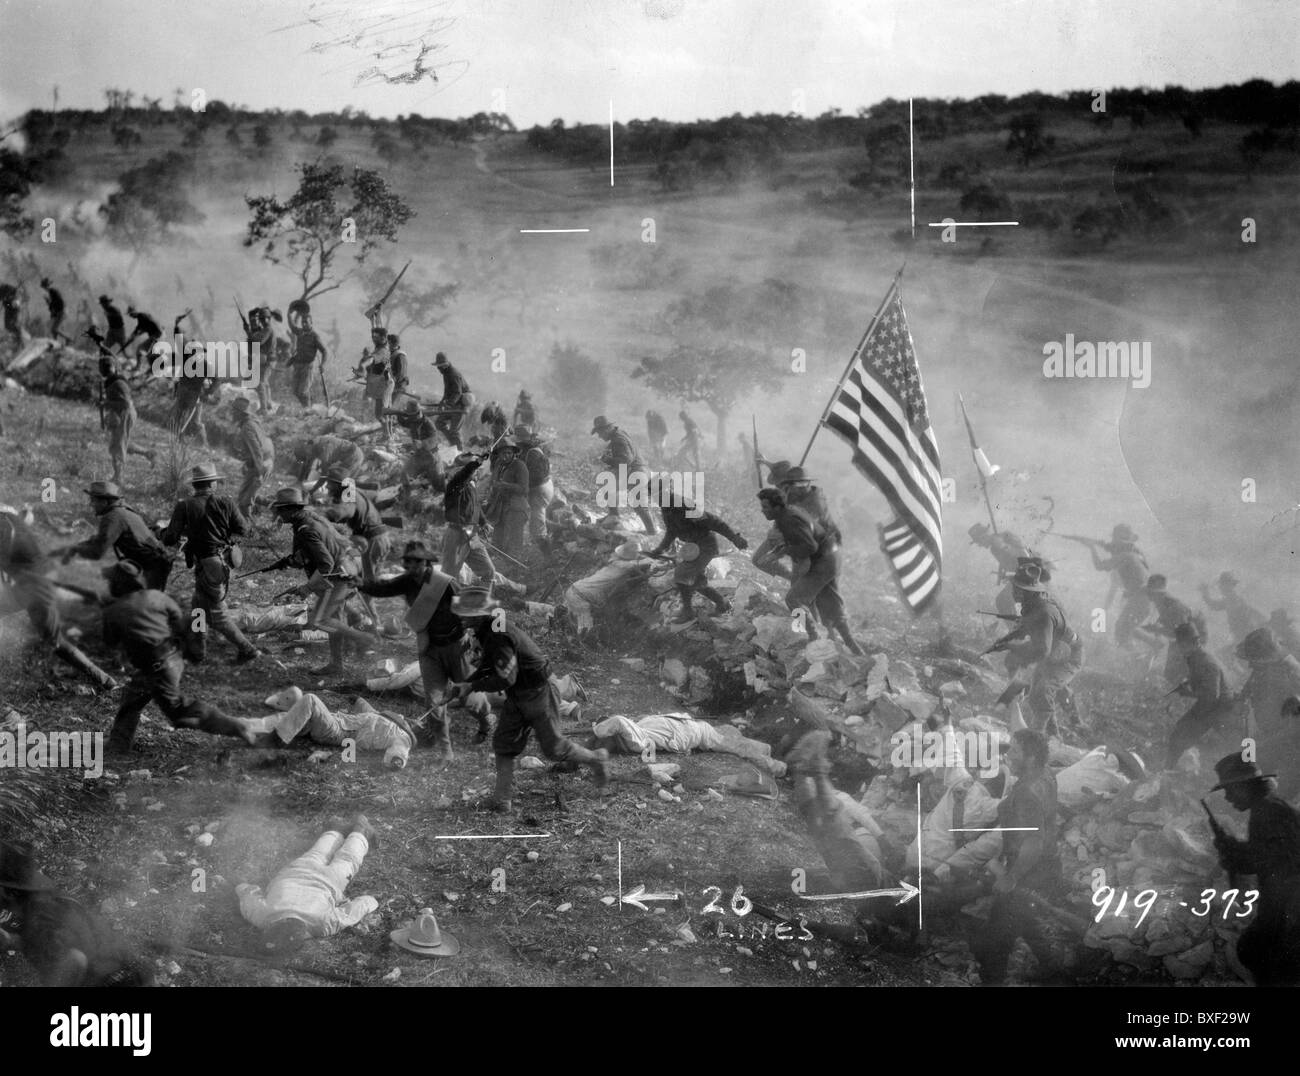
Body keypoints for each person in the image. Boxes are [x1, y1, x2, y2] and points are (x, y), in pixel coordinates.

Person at [446, 587, 609, 812]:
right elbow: (489, 666)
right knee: (503, 743)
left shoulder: (498, 633)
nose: (459, 617)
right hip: (519, 694)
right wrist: (467, 684)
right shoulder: (488, 628)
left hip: (539, 691)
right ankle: (502, 799)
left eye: (464, 614)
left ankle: (596, 758)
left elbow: (505, 677)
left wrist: (472, 685)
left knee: (554, 749)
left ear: (478, 615)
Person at [101, 561, 258, 754]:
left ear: (118, 584)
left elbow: (110, 642)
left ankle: (237, 727)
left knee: (178, 711)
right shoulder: (157, 596)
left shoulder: (115, 611)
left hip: (157, 667)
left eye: (110, 581)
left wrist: (111, 612)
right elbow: (181, 621)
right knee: (133, 695)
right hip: (174, 659)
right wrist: (195, 650)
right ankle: (119, 742)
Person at [357, 541, 491, 758]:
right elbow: (382, 588)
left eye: (417, 562)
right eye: (408, 562)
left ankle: (486, 722)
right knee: (434, 701)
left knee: (471, 699)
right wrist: (360, 583)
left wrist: (480, 642)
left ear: (427, 563)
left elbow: (474, 609)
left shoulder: (446, 584)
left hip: (456, 646)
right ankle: (445, 751)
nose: (412, 566)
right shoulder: (407, 581)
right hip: (429, 648)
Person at [971, 729, 1066, 984]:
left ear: (1032, 757)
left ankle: (993, 982)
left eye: (1014, 751)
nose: (1008, 755)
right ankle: (1057, 973)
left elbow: (1034, 842)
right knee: (1026, 922)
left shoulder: (1026, 792)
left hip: (1028, 872)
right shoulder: (1046, 775)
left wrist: (1010, 877)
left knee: (995, 940)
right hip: (1046, 867)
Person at [0, 841, 153, 987]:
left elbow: (75, 960)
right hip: (135, 972)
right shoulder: (47, 900)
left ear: (9, 892)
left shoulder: (39, 922)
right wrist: (13, 941)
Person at [1209, 754, 1300, 984]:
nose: (1228, 797)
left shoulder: (1267, 812)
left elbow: (1262, 861)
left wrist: (1231, 852)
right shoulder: (1269, 807)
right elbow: (1268, 854)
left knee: (1260, 955)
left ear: (1243, 786)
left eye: (1230, 790)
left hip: (1288, 905)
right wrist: (1233, 849)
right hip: (1284, 902)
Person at [0, 508, 115, 688]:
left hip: (37, 588)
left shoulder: (4, 525)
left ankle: (105, 681)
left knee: (54, 641)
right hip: (27, 585)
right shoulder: (8, 518)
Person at [159, 464, 262, 664]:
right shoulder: (227, 502)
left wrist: (165, 532)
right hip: (220, 563)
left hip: (209, 566)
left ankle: (248, 650)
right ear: (212, 483)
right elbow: (243, 529)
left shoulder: (185, 505)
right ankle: (198, 651)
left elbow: (170, 538)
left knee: (219, 616)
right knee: (198, 607)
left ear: (195, 485)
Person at [237, 815, 380, 954]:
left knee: (348, 859)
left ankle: (361, 832)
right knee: (318, 853)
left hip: (331, 880)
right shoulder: (262, 916)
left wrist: (370, 901)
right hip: (297, 871)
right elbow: (248, 894)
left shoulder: (320, 925)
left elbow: (349, 913)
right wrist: (240, 887)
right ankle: (336, 831)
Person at [268, 487, 365, 677]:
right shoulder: (309, 517)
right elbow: (317, 549)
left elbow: (325, 564)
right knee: (335, 614)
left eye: (280, 510)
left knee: (321, 620)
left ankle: (359, 642)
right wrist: (290, 561)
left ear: (290, 509)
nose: (278, 514)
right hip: (349, 563)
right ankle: (356, 622)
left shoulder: (305, 530)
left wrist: (307, 587)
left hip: (338, 572)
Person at [758, 486, 862, 655]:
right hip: (831, 557)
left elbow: (809, 546)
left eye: (765, 508)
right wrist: (779, 552)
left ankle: (813, 637)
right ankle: (853, 647)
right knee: (829, 604)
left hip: (821, 560)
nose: (763, 511)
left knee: (794, 599)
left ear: (777, 507)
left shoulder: (789, 519)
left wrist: (783, 551)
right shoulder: (789, 512)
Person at [995, 560, 1084, 737]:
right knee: (1039, 691)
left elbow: (1042, 649)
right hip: (1052, 649)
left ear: (1024, 591)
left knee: (1042, 691)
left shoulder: (1044, 610)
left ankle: (1038, 737)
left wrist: (1018, 651)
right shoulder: (1034, 604)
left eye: (1016, 588)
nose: (1013, 591)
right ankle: (1054, 733)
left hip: (1066, 654)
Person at [648, 482, 747, 623]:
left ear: (667, 490)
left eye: (659, 493)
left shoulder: (683, 504)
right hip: (693, 546)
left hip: (705, 545)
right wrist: (660, 549)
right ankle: (722, 603)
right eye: (654, 495)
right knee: (696, 581)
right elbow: (672, 531)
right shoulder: (666, 508)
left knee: (682, 574)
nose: (657, 498)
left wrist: (734, 538)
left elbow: (714, 521)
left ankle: (688, 612)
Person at [61, 481, 172, 591]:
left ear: (104, 502)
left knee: (147, 604)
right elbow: (101, 539)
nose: (91, 504)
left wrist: (76, 550)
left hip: (153, 566)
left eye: (93, 501)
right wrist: (77, 546)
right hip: (150, 562)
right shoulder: (123, 512)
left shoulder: (112, 517)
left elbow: (97, 553)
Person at [1236, 627, 1300, 800]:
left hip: (1291, 742)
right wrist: (1242, 698)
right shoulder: (1265, 667)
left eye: (1255, 660)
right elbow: (1252, 682)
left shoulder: (1292, 675)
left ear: (1267, 656)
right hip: (1270, 733)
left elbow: (1294, 726)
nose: (1251, 664)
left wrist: (1266, 743)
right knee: (1251, 765)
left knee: (1284, 789)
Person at [1165, 622, 1236, 770]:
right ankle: (1174, 769)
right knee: (1181, 733)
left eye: (1183, 645)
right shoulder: (1196, 657)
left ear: (1195, 643)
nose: (1180, 648)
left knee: (1180, 737)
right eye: (1180, 645)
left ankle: (1171, 771)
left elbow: (1211, 696)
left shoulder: (1206, 662)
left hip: (1219, 708)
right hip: (1212, 705)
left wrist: (1188, 693)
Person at [320, 465, 394, 586]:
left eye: (330, 483)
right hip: (380, 539)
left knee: (368, 585)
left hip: (373, 541)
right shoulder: (354, 493)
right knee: (368, 582)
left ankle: (362, 601)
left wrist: (321, 516)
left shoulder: (349, 496)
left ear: (340, 485)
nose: (327, 486)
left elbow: (342, 512)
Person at [1088, 524, 1151, 651]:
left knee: (1123, 631)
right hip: (1144, 598)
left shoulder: (1125, 556)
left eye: (1115, 540)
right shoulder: (1136, 554)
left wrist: (1091, 547)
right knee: (1124, 629)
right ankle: (1152, 644)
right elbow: (1113, 548)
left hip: (1139, 598)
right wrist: (1101, 545)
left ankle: (1147, 647)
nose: (1113, 543)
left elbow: (1099, 566)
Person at [591, 414, 658, 534]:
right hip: (636, 470)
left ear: (607, 429)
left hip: (636, 472)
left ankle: (652, 531)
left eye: (600, 432)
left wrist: (607, 460)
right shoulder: (618, 435)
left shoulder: (618, 439)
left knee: (638, 504)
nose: (599, 436)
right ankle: (614, 516)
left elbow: (626, 460)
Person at [1142, 575, 1208, 687]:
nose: (1148, 596)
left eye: (1150, 593)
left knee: (1178, 673)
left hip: (1193, 639)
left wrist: (1158, 629)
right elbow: (1163, 620)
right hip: (1182, 639)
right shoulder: (1162, 603)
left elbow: (1182, 633)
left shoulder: (1174, 606)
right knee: (1171, 674)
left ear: (1158, 593)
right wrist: (1156, 632)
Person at [441, 451, 496, 581]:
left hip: (472, 536)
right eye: (473, 469)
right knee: (448, 577)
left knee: (489, 571)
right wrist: (476, 463)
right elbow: (463, 475)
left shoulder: (470, 487)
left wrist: (484, 523)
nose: (476, 471)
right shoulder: (454, 486)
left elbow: (476, 506)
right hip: (456, 537)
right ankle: (442, 600)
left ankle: (484, 600)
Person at [969, 522, 1031, 621]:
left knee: (1003, 601)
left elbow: (1025, 556)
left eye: (979, 541)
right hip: (1020, 578)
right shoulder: (994, 549)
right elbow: (1008, 564)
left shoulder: (1006, 537)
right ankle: (1017, 626)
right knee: (1003, 601)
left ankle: (1017, 628)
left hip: (1030, 575)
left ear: (984, 536)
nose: (980, 545)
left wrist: (1005, 547)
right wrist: (1006, 574)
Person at [231, 396, 275, 518]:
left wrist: (260, 472)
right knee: (248, 494)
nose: (231, 413)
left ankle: (249, 528)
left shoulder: (247, 427)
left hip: (260, 465)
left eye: (234, 410)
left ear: (240, 413)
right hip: (265, 462)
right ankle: (273, 504)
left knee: (243, 501)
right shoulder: (253, 422)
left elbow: (256, 451)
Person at [488, 438, 530, 561]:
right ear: (499, 454)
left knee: (515, 537)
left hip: (517, 506)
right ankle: (496, 555)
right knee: (498, 530)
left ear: (513, 454)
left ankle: (514, 562)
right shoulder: (498, 465)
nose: (506, 456)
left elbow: (524, 489)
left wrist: (506, 485)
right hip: (501, 504)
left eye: (509, 453)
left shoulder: (519, 466)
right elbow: (494, 481)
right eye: (503, 453)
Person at [1201, 571, 1266, 648]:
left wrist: (1205, 593)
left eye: (1222, 584)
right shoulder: (1231, 599)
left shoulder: (1233, 599)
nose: (1220, 587)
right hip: (1242, 636)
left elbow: (1215, 606)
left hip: (1244, 637)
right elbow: (1214, 606)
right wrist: (1205, 593)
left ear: (1229, 585)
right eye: (1220, 584)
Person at [516, 425, 554, 549]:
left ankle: (548, 557)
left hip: (539, 490)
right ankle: (558, 529)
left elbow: (536, 476)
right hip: (543, 487)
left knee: (537, 527)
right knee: (538, 517)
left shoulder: (532, 453)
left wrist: (522, 485)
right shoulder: (531, 450)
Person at [432, 352, 474, 448]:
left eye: (439, 367)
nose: (438, 369)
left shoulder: (453, 374)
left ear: (444, 365)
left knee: (454, 431)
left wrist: (448, 404)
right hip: (454, 404)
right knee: (439, 423)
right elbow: (447, 392)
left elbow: (457, 392)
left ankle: (459, 450)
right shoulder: (446, 373)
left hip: (460, 406)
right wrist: (442, 402)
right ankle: (453, 442)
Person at [293, 434, 365, 490]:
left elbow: (324, 475)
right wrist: (298, 482)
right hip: (343, 456)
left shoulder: (324, 449)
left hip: (354, 456)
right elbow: (306, 463)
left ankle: (344, 502)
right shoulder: (311, 445)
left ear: (307, 450)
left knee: (340, 480)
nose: (308, 458)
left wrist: (313, 489)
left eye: (306, 456)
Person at [287, 312, 328, 410]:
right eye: (303, 322)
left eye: (306, 322)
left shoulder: (315, 336)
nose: (304, 324)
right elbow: (292, 327)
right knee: (295, 391)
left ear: (311, 323)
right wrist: (289, 315)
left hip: (307, 367)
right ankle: (306, 408)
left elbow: (324, 351)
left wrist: (323, 364)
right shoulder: (300, 332)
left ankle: (308, 409)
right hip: (297, 366)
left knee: (303, 391)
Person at [123, 306, 162, 372]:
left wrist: (135, 334)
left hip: (155, 335)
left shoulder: (142, 316)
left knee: (140, 349)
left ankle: (138, 368)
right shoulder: (142, 316)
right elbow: (139, 327)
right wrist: (134, 335)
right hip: (156, 334)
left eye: (131, 314)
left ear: (134, 312)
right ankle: (159, 366)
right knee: (153, 352)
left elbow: (143, 327)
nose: (131, 316)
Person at [40, 278, 65, 343]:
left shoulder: (52, 291)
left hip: (59, 312)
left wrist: (49, 303)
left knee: (53, 329)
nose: (44, 288)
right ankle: (55, 341)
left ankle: (67, 339)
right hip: (58, 312)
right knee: (52, 329)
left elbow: (58, 302)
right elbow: (53, 305)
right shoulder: (51, 292)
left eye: (44, 286)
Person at [387, 333, 408, 397]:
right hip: (390, 385)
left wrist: (394, 385)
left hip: (398, 386)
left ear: (391, 343)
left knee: (390, 406)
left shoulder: (400, 355)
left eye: (388, 343)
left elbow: (401, 374)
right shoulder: (390, 354)